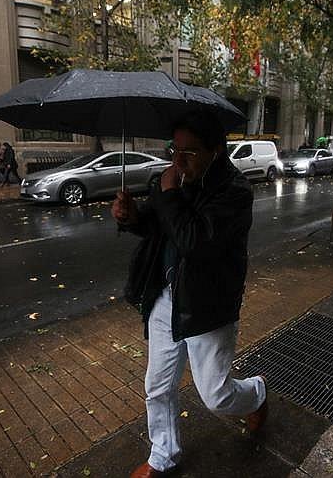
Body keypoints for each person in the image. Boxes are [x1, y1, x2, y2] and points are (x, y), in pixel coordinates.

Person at [111, 115, 267, 478]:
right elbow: (157, 226)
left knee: (216, 396)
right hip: (165, 297)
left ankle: (256, 393)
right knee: (157, 385)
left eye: (190, 152)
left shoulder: (235, 191)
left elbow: (196, 242)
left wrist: (168, 197)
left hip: (207, 306)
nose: (178, 161)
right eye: (174, 150)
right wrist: (131, 217)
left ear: (216, 151)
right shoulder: (174, 180)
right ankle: (163, 455)